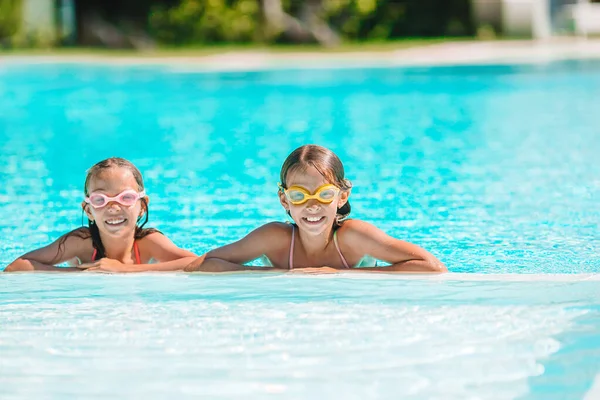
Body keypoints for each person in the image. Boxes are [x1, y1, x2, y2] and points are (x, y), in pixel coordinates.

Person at [185, 144, 447, 274]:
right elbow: (205, 264)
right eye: (299, 195)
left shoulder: (355, 237)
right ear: (284, 200)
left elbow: (432, 267)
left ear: (342, 196)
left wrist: (335, 275)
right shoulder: (275, 238)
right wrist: (279, 275)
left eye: (324, 194)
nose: (312, 205)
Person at [5, 157, 196, 273]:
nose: (113, 207)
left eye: (126, 198)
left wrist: (125, 271)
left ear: (143, 206)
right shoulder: (80, 242)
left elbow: (195, 262)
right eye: (100, 200)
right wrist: (83, 273)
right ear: (88, 210)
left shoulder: (148, 242)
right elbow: (17, 267)